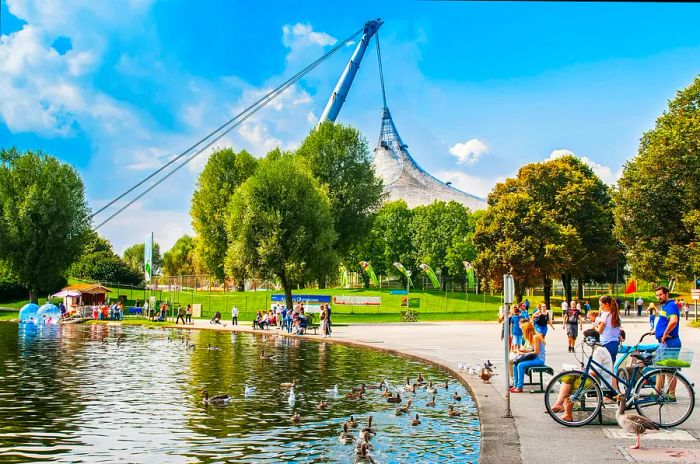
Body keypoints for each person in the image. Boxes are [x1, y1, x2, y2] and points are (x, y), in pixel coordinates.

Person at [551, 328, 613, 420]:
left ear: (591, 339)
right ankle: (559, 405)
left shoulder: (598, 351)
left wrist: (580, 371)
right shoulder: (598, 349)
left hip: (599, 381)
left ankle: (564, 410)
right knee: (568, 376)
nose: (584, 341)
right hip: (596, 378)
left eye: (585, 338)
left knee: (572, 381)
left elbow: (595, 372)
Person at [650, 286, 681, 398]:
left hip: (669, 342)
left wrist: (664, 334)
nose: (659, 297)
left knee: (668, 371)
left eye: (661, 294)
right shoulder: (666, 306)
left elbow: (673, 321)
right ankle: (658, 392)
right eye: (657, 295)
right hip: (667, 342)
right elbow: (665, 321)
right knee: (661, 369)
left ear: (667, 294)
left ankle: (669, 395)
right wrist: (656, 331)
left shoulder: (671, 306)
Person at [510, 321, 546, 393]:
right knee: (515, 364)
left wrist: (524, 353)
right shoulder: (532, 337)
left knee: (520, 365)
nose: (522, 331)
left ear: (527, 330)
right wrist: (523, 351)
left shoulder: (535, 337)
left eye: (523, 329)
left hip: (539, 359)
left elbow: (536, 352)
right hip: (534, 358)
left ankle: (519, 387)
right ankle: (515, 385)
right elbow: (532, 350)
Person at [595, 295, 621, 364]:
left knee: (600, 369)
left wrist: (595, 326)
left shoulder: (605, 314)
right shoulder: (617, 315)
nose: (600, 307)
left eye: (601, 305)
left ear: (606, 304)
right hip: (615, 344)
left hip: (606, 344)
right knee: (610, 368)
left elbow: (600, 331)